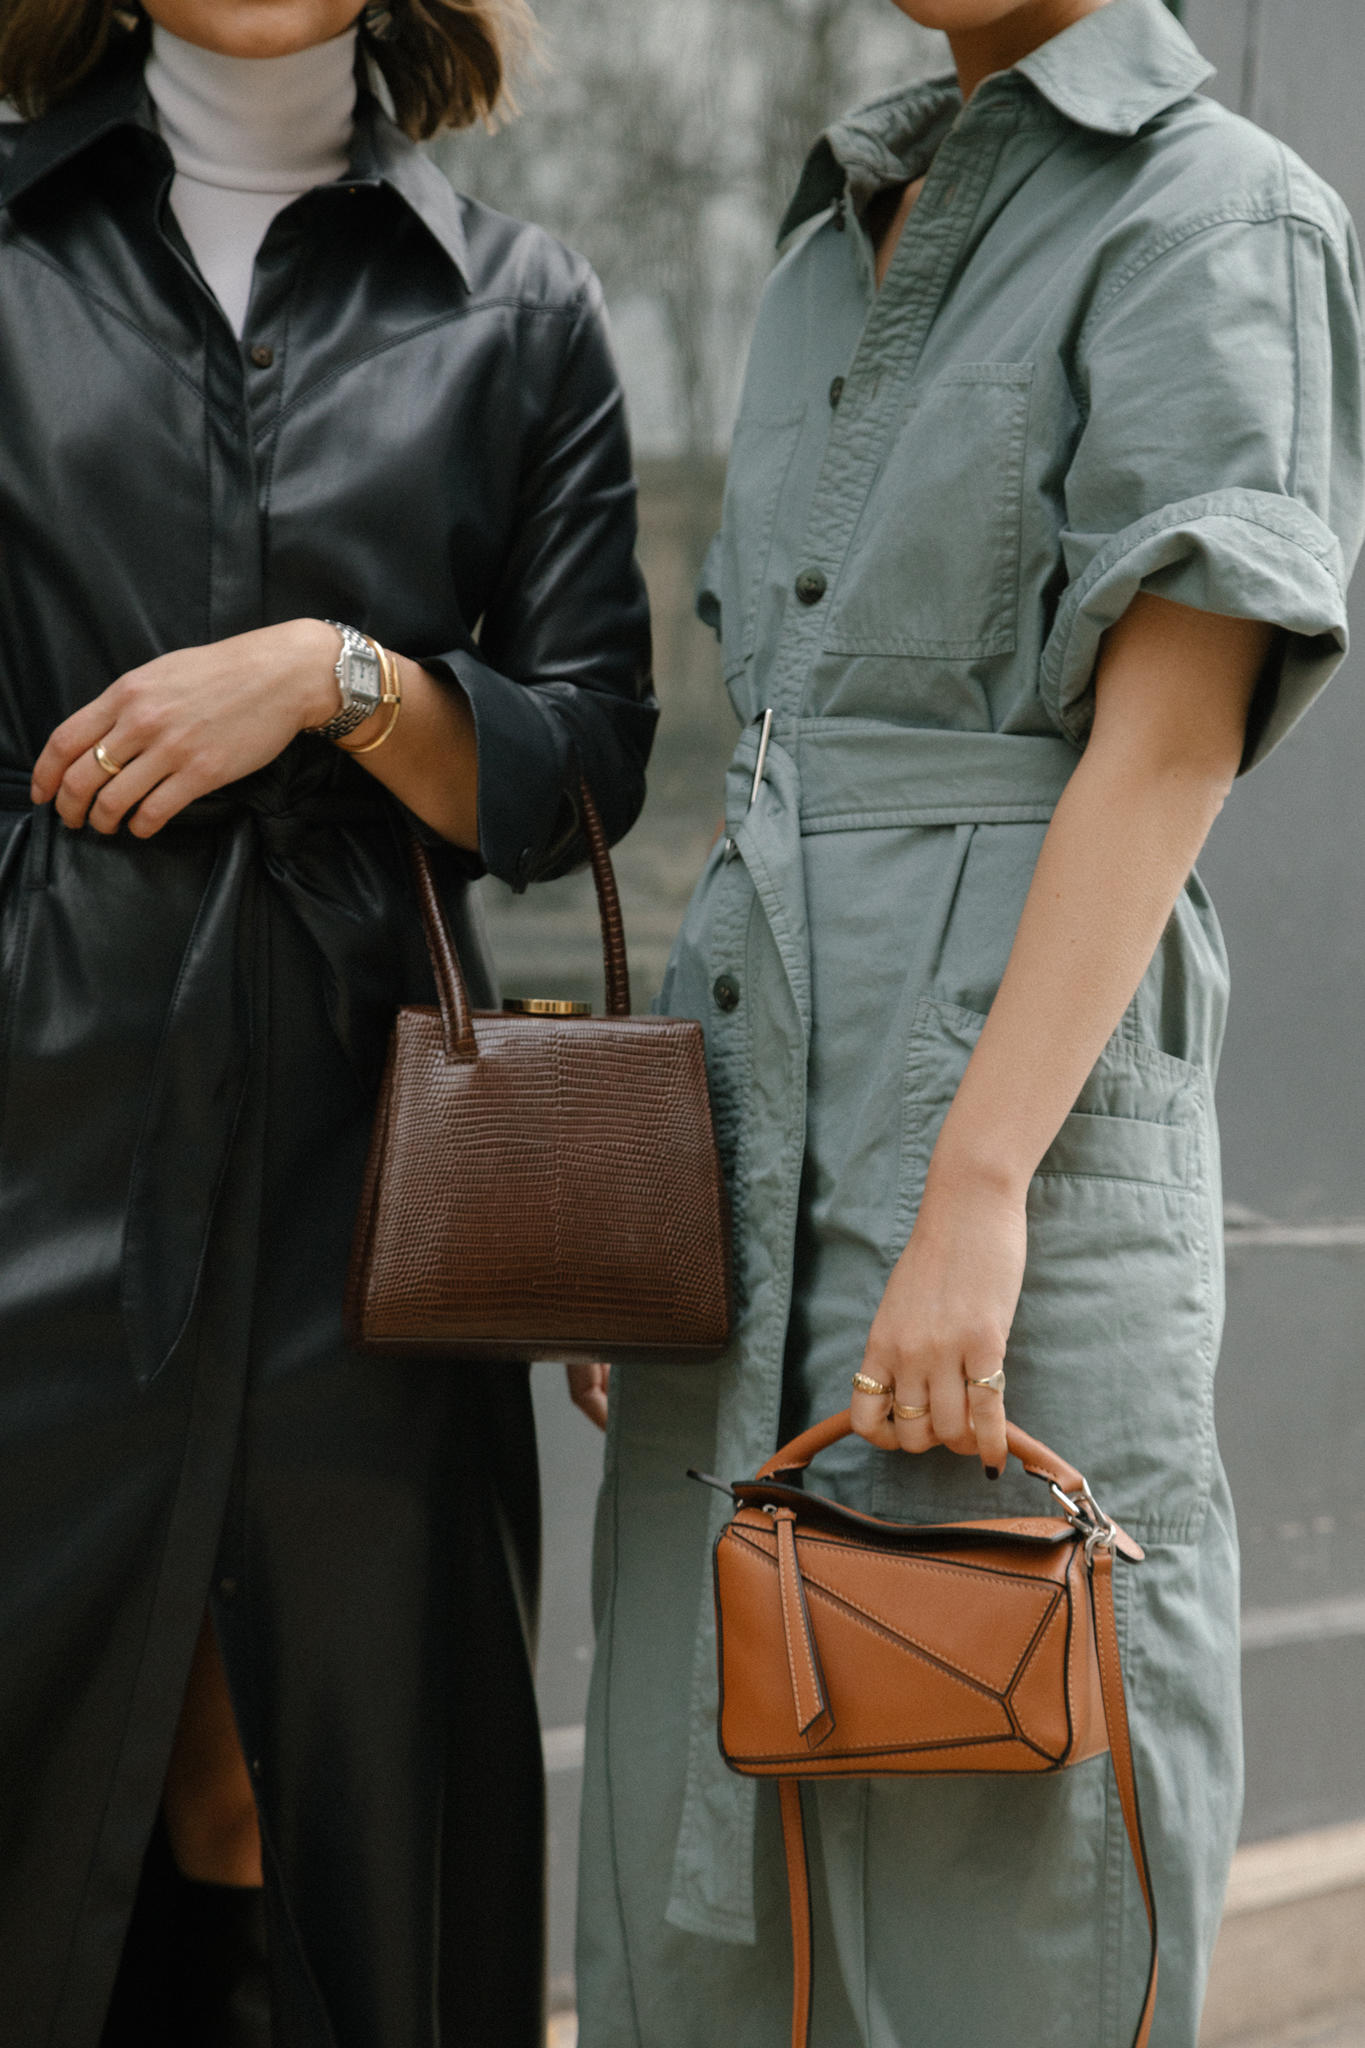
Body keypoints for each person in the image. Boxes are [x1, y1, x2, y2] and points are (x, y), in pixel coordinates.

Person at [575, 1, 1364, 2044]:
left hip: (996, 1121)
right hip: (755, 1114)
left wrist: (980, 1183)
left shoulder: (1218, 213)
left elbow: (1170, 731)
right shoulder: (826, 234)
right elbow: (764, 772)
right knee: (699, 1868)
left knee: (997, 1844)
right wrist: (650, 1193)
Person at [0, 0, 653, 2041]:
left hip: (373, 1171)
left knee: (352, 1811)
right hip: (32, 1115)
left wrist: (332, 676)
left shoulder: (517, 306)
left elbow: (578, 770)